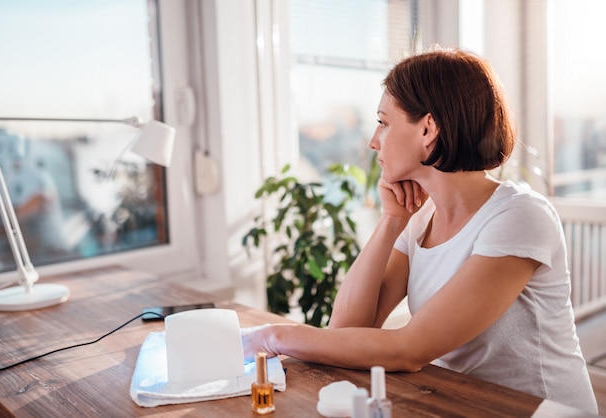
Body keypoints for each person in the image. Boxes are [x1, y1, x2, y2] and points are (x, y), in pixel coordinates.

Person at [242, 47, 599, 413]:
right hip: (463, 404)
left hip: (541, 411)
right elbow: (349, 325)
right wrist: (390, 221)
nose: (373, 140)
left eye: (383, 122)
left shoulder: (519, 216)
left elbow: (409, 349)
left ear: (427, 129)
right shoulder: (419, 220)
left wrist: (276, 335)